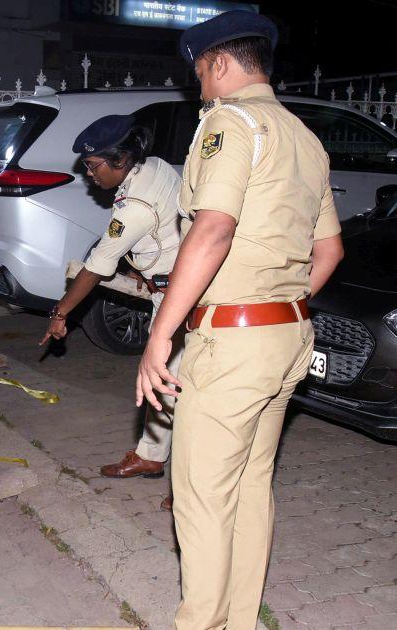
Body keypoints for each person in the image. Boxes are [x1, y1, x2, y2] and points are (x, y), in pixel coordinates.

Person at [133, 12, 346, 630]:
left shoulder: (230, 122)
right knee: (250, 489)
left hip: (232, 344)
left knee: (201, 499)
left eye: (200, 72)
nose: (199, 87)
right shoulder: (306, 139)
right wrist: (278, 305)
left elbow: (213, 229)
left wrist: (160, 335)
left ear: (220, 63)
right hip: (288, 337)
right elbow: (330, 251)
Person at [38, 114, 183, 510]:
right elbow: (167, 227)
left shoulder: (133, 207)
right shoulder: (155, 167)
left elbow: (97, 267)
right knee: (162, 383)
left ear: (120, 159)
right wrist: (143, 267)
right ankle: (151, 455)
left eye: (92, 165)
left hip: (181, 300)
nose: (89, 174)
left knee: (185, 392)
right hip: (172, 287)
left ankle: (192, 489)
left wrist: (61, 313)